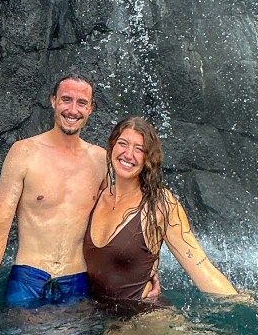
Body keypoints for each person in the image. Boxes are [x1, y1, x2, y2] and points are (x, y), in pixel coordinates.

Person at [0, 74, 107, 335]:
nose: (72, 109)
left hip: (78, 283)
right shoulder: (24, 153)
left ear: (90, 108)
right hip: (28, 280)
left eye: (82, 103)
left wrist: (147, 275)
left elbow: (118, 227)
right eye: (66, 100)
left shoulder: (102, 160)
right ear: (53, 101)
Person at [83, 116, 239, 310]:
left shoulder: (159, 204)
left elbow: (201, 267)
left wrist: (245, 306)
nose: (128, 154)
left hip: (141, 319)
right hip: (98, 316)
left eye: (139, 149)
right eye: (123, 143)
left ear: (148, 158)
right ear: (111, 146)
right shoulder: (97, 195)